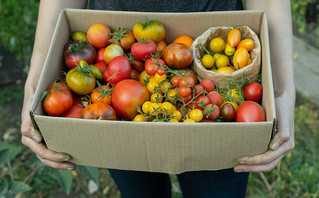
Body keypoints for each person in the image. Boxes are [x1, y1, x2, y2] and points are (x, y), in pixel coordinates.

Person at [20, 0, 295, 197]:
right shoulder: (138, 75)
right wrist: (33, 91)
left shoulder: (190, 90)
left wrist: (282, 93)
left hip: (213, 122)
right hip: (119, 119)